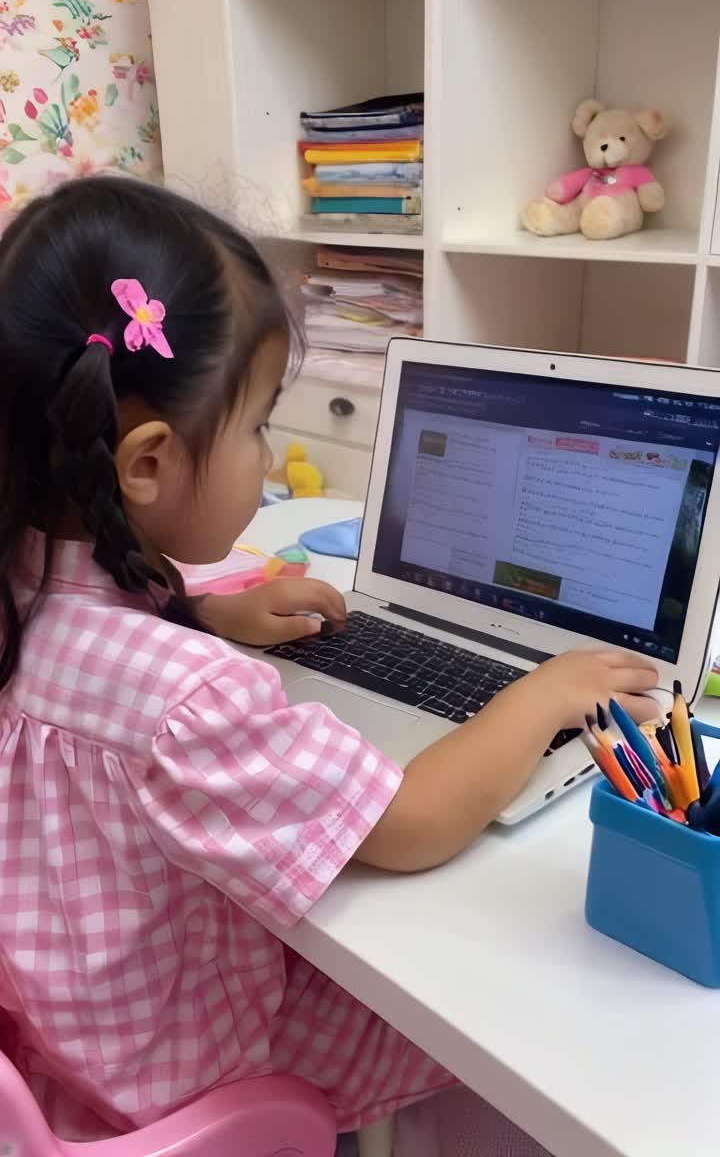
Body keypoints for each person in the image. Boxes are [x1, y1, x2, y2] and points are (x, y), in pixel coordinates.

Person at [0, 177, 657, 1142]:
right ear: (144, 464)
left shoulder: (23, 586)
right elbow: (410, 825)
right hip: (191, 1078)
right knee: (479, 1006)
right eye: (260, 423)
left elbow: (97, 665)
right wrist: (538, 694)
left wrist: (206, 615)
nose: (268, 459)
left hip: (63, 1047)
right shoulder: (187, 702)